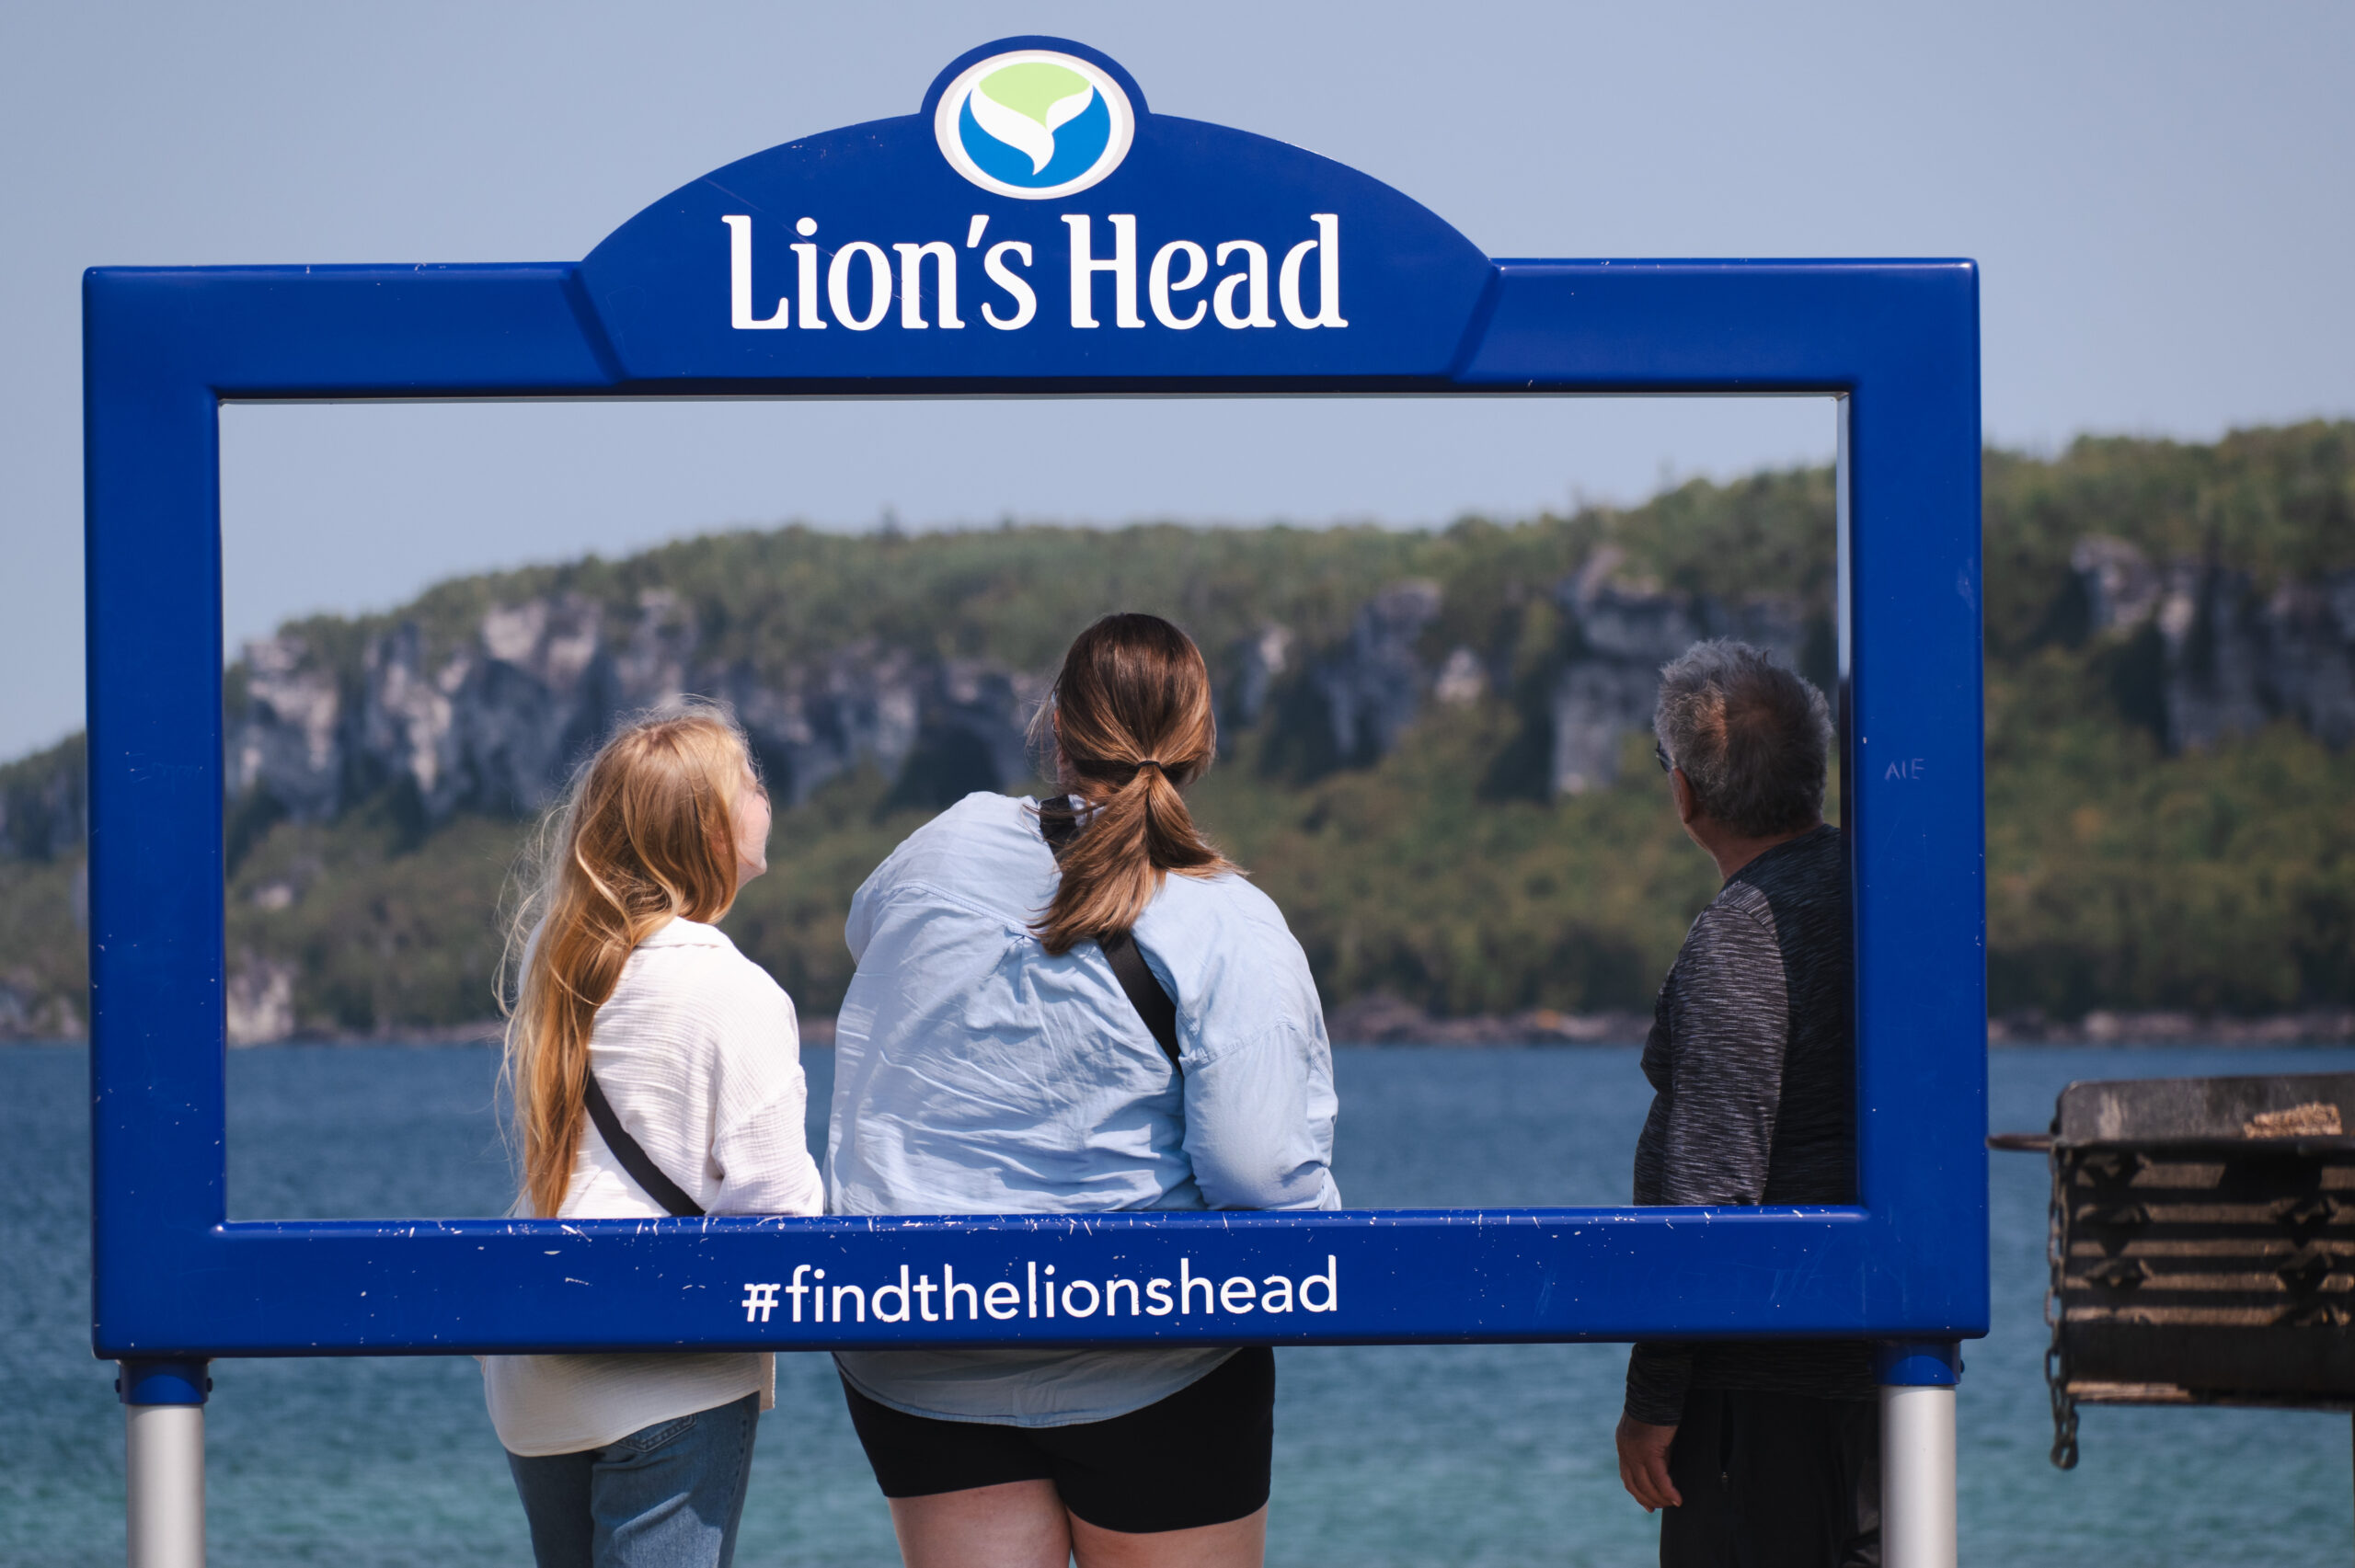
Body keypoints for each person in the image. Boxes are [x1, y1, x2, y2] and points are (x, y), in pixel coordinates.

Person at [828, 612, 1338, 1568]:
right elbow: (1256, 1171)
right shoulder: (1229, 920)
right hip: (1153, 1353)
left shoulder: (942, 849)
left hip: (924, 1341)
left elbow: (873, 942)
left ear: (1056, 726)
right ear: (1200, 741)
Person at [484, 704, 824, 1568]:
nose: (766, 796)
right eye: (750, 782)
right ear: (709, 829)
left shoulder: (556, 959)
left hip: (536, 1357)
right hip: (668, 1371)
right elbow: (779, 1212)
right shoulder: (736, 990)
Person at [1612, 641, 1878, 1568]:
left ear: (1684, 792)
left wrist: (1652, 1401)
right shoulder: (1874, 895)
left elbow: (1706, 1205)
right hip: (1876, 1367)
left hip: (1763, 1400)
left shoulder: (1739, 938)